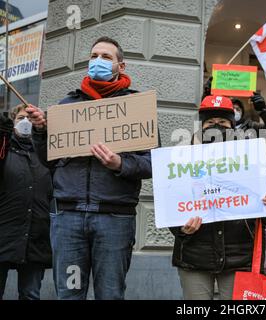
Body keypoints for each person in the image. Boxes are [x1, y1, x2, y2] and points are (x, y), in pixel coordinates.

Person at [27, 37, 154, 300]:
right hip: (68, 219)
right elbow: (48, 161)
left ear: (121, 65)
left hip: (114, 220)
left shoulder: (137, 108)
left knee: (110, 294)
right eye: (94, 55)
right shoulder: (66, 106)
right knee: (69, 294)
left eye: (106, 57)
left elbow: (151, 163)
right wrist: (41, 132)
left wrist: (120, 164)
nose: (98, 61)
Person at [170, 95, 266, 300]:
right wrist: (181, 229)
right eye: (210, 122)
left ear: (233, 125)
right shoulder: (182, 159)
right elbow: (173, 206)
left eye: (222, 122)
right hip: (195, 255)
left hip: (240, 257)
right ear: (201, 126)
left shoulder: (250, 160)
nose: (216, 127)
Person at [0, 105, 52, 300]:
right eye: (21, 117)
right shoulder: (4, 152)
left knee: (30, 294)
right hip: (4, 234)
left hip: (36, 237)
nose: (25, 122)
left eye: (30, 118)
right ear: (13, 122)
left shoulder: (46, 156)